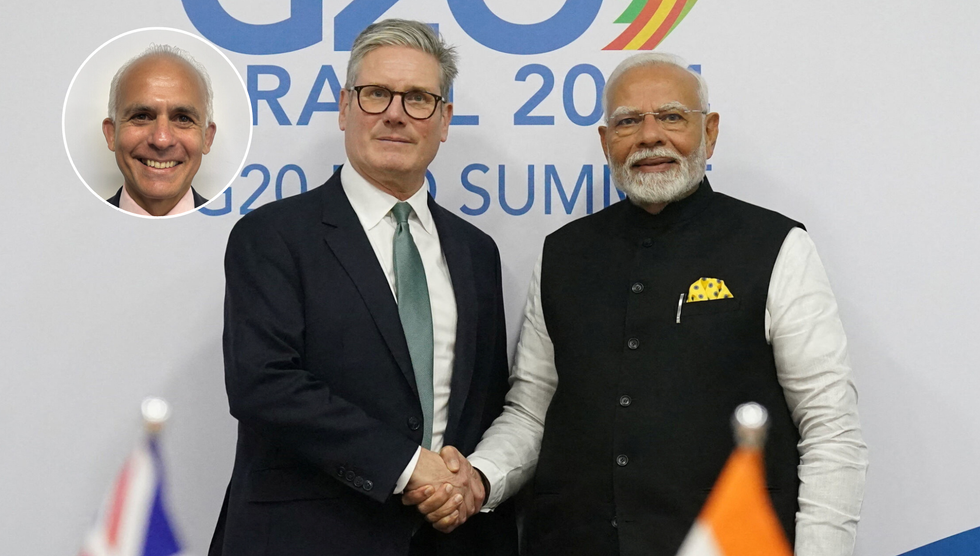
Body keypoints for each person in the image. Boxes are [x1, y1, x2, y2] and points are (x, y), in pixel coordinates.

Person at [410, 53, 869, 555]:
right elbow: (532, 412)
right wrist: (480, 477)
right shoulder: (563, 253)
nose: (650, 136)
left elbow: (830, 428)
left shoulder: (776, 246)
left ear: (710, 132)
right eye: (628, 122)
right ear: (606, 141)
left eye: (672, 117)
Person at [208, 19, 516, 556]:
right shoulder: (272, 236)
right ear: (345, 107)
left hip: (447, 539)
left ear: (444, 120)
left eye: (418, 98)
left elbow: (483, 404)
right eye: (376, 94)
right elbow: (264, 384)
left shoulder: (476, 251)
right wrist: (407, 466)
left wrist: (464, 484)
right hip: (306, 539)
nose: (395, 113)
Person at [101, 44, 216, 216]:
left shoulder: (238, 228)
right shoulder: (72, 228)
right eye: (141, 116)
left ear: (207, 138)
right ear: (111, 134)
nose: (161, 140)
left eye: (183, 119)